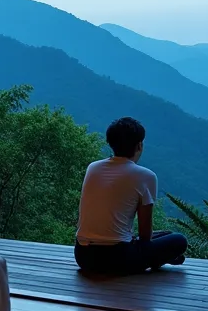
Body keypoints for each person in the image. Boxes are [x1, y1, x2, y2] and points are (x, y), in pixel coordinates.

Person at [74, 117, 187, 274]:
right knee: (179, 240)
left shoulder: (93, 168)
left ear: (110, 143)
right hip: (118, 258)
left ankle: (159, 257)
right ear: (139, 145)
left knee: (165, 235)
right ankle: (160, 258)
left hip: (83, 256)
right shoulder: (146, 176)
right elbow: (145, 235)